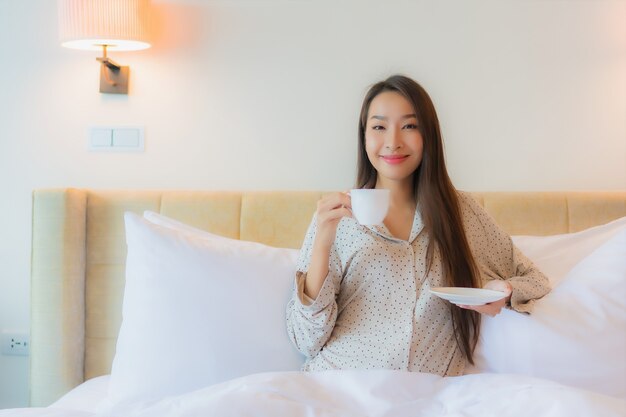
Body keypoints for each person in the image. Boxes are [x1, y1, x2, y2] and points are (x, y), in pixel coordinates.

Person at [286, 75, 550, 376]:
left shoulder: (461, 213)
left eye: (410, 126)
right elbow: (305, 340)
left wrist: (500, 293)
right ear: (364, 137)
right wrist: (322, 242)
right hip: (341, 386)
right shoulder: (334, 219)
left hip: (430, 397)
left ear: (429, 135)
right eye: (379, 127)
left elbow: (535, 280)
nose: (393, 141)